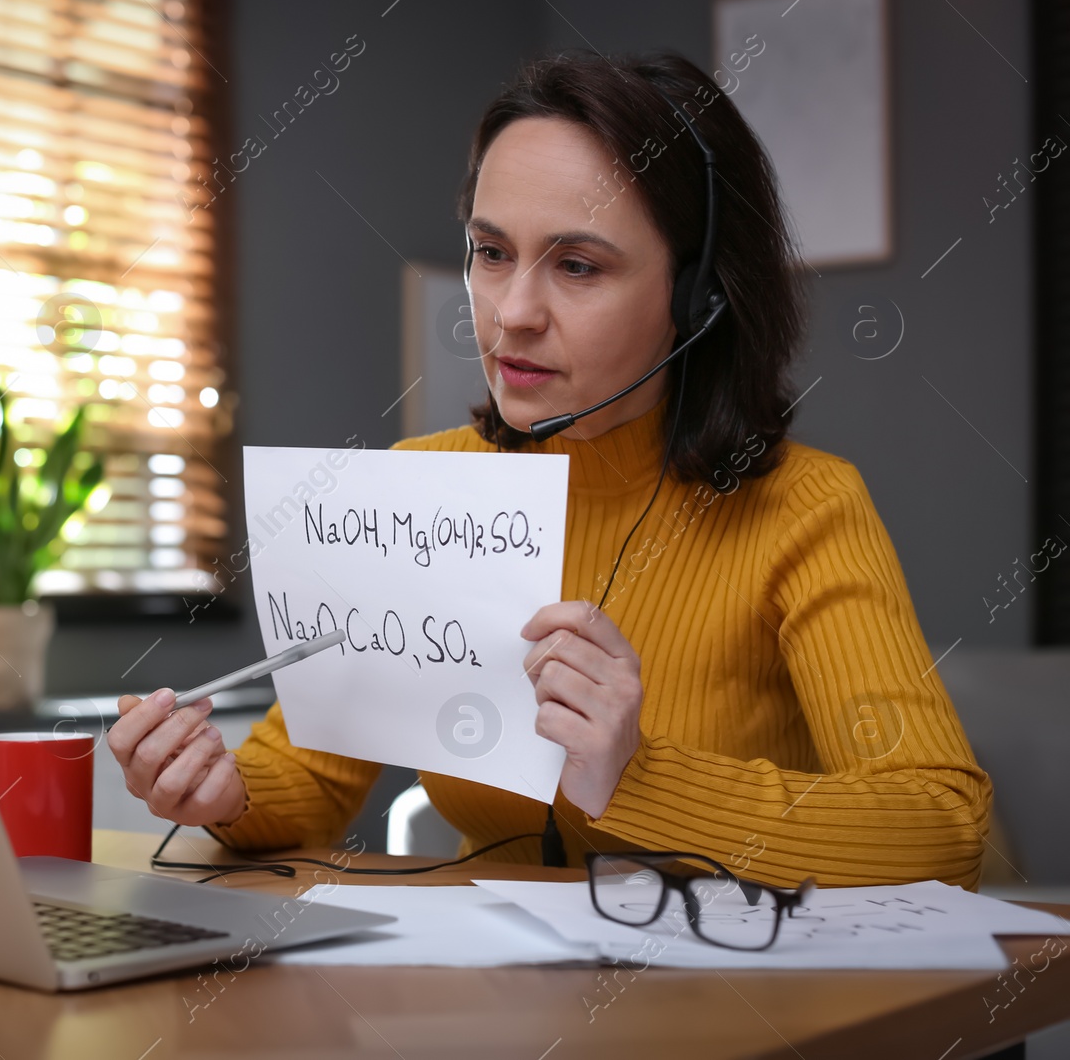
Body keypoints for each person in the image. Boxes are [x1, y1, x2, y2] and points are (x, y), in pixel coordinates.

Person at [107, 50, 993, 891]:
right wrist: (225, 793)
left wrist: (639, 775)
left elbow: (942, 826)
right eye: (492, 253)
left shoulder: (805, 508)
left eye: (576, 265)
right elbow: (308, 771)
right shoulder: (422, 490)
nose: (513, 313)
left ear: (697, 299)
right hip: (493, 1011)